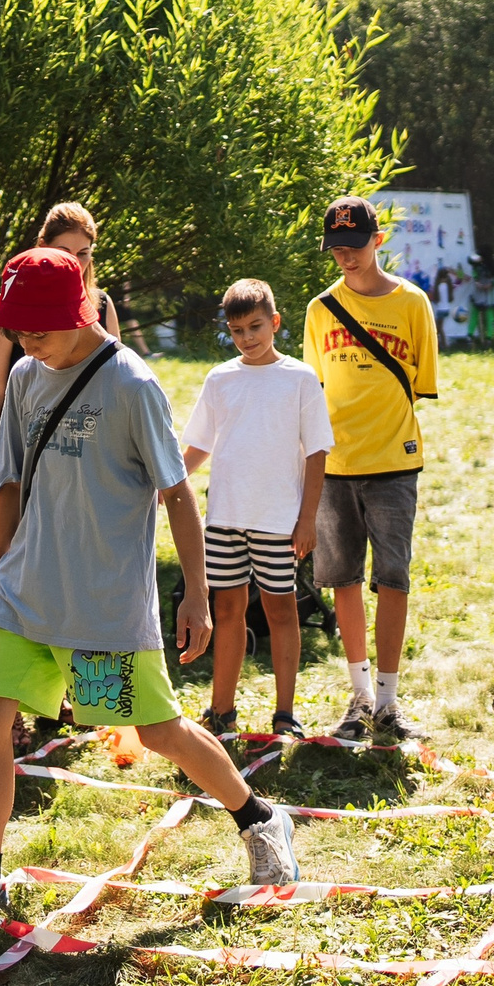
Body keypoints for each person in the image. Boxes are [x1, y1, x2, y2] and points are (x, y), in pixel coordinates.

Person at [0, 246, 298, 911]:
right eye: (17, 329)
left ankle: (257, 816)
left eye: (38, 328)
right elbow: (10, 485)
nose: (27, 341)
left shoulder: (131, 385)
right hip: (26, 596)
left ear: (76, 312)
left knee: (158, 730)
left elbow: (176, 494)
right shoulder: (25, 377)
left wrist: (196, 592)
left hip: (103, 609)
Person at [0, 202, 121, 690]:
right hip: (22, 451)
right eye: (63, 251)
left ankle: (75, 688)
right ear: (41, 248)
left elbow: (114, 384)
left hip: (78, 459)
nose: (76, 262)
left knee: (75, 566)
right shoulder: (16, 299)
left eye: (84, 253)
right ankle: (4, 694)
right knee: (4, 564)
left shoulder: (103, 305)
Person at [303, 195, 438, 743]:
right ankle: (359, 696)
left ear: (378, 242)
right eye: (336, 249)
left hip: (394, 463)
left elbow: (420, 384)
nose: (346, 258)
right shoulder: (319, 310)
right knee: (343, 582)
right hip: (335, 465)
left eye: (355, 247)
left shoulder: (413, 304)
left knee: (394, 580)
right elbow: (311, 391)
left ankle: (388, 698)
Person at [180, 278, 332, 744]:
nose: (247, 337)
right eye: (238, 329)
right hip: (225, 517)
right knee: (227, 610)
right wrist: (166, 486)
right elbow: (198, 445)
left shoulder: (300, 378)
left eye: (256, 326)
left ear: (275, 322)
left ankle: (285, 713)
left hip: (279, 521)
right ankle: (221, 710)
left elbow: (317, 453)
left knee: (282, 612)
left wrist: (307, 520)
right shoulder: (221, 378)